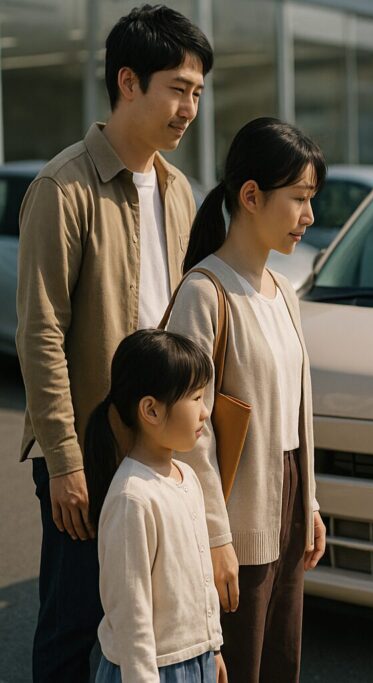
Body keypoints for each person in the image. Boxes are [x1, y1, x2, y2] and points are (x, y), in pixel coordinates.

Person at [16, 6, 212, 681]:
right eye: (178, 89)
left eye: (198, 93)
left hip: (159, 444)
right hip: (90, 449)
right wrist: (65, 460)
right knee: (72, 626)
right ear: (128, 82)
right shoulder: (62, 187)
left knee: (146, 625)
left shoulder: (179, 192)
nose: (189, 109)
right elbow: (40, 332)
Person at [165, 117, 327, 683]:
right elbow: (189, 435)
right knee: (238, 667)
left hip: (287, 499)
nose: (309, 216)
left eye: (311, 199)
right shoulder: (204, 292)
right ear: (251, 196)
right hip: (237, 515)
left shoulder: (284, 291)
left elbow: (295, 410)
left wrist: (309, 502)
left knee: (282, 661)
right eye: (299, 198)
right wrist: (214, 535)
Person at [83, 329, 227, 683]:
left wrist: (213, 648)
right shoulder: (132, 498)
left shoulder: (187, 477)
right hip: (151, 670)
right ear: (151, 410)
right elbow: (130, 614)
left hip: (196, 658)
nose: (205, 412)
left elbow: (201, 580)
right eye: (195, 398)